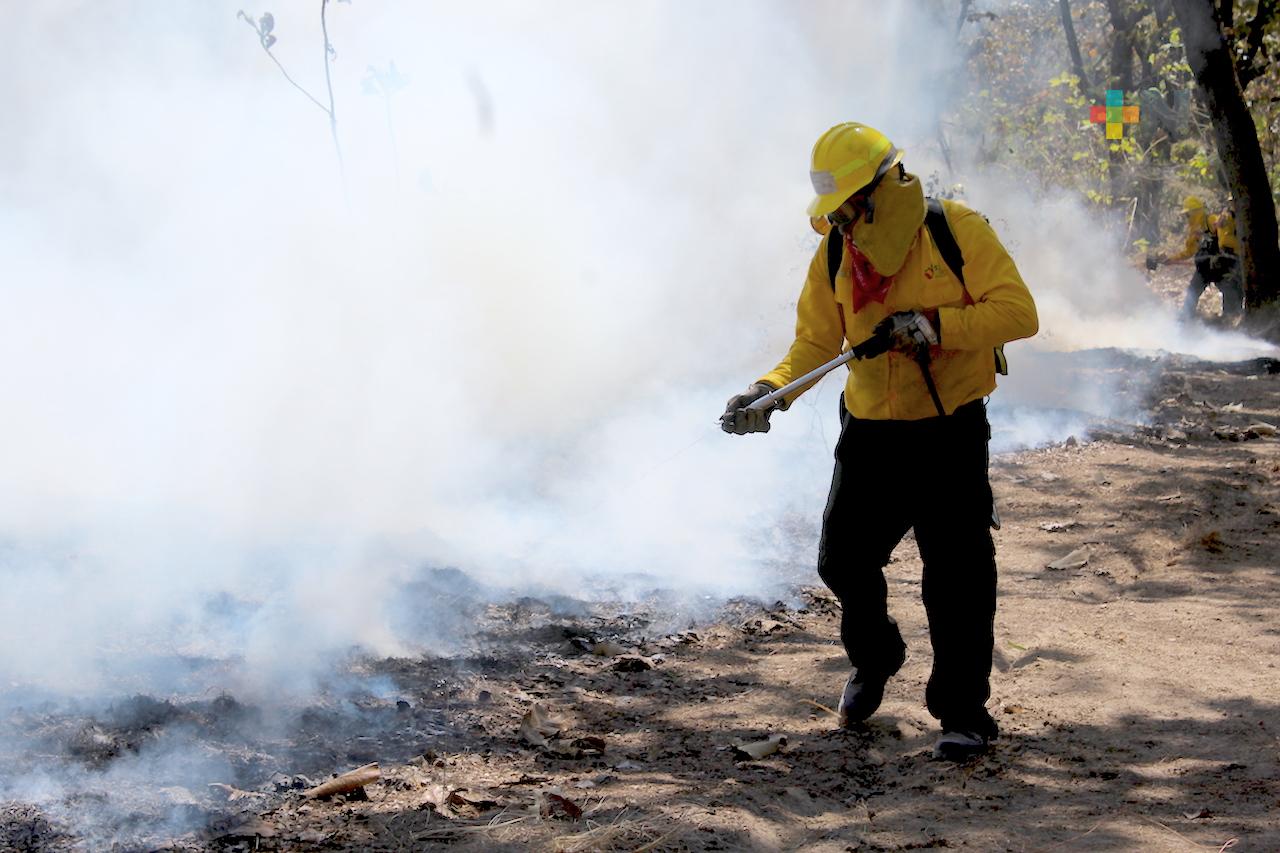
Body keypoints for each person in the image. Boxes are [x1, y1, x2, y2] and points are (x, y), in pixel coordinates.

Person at [721, 122, 1038, 761]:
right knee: (841, 559)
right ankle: (876, 658)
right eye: (832, 209)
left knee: (956, 575)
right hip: (869, 432)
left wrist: (933, 325)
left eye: (846, 204)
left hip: (948, 431)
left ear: (882, 188)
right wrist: (769, 390)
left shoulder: (957, 231)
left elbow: (1018, 313)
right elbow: (814, 344)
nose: (838, 219)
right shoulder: (838, 252)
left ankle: (963, 714)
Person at [1172, 195, 1243, 320]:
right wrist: (1169, 259)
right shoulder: (1194, 231)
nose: (1187, 218)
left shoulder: (1212, 220)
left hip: (1222, 267)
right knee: (1192, 293)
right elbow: (1188, 251)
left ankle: (1230, 322)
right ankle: (1184, 320)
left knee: (1230, 292)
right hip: (1204, 268)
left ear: (1195, 212)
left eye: (1188, 214)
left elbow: (1224, 239)